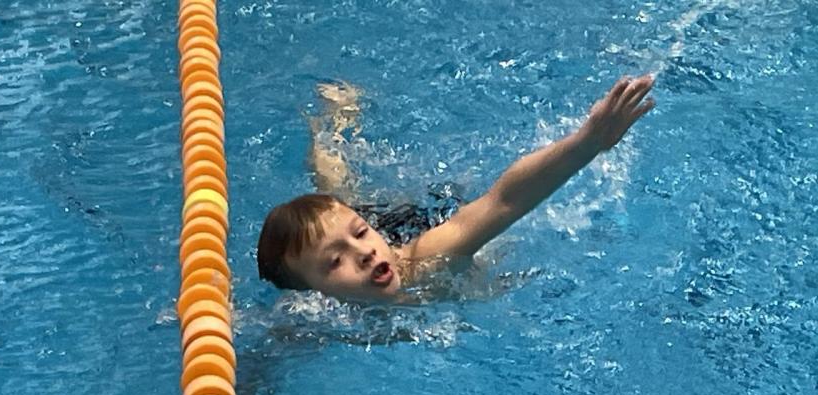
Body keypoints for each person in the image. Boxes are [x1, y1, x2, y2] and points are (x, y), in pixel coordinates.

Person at [256, 74, 656, 303]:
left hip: (422, 223)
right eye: (334, 261)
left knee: (341, 190)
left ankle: (335, 122)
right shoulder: (312, 319)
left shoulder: (426, 261)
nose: (363, 253)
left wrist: (586, 144)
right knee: (339, 204)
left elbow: (504, 201)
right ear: (312, 293)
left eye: (361, 234)